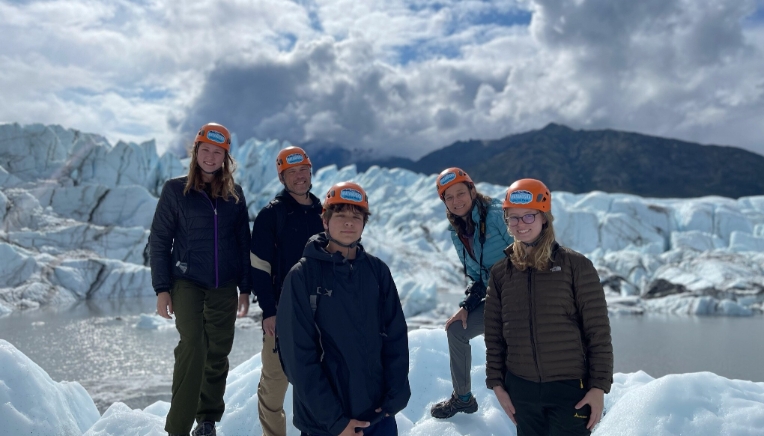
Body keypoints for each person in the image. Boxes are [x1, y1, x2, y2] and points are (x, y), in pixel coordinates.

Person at [277, 182, 411, 436]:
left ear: (363, 223)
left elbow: (395, 336)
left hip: (378, 416)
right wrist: (335, 422)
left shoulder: (377, 271)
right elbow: (298, 358)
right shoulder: (302, 276)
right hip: (326, 425)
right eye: (340, 215)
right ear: (325, 221)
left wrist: (396, 395)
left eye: (356, 216)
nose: (349, 223)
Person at [484, 178, 613, 435]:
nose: (521, 224)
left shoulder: (576, 266)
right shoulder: (501, 273)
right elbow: (495, 335)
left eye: (529, 216)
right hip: (521, 392)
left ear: (544, 218)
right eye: (513, 218)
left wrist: (598, 388)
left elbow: (597, 332)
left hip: (570, 392)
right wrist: (497, 385)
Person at [150, 122, 251, 436]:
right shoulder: (175, 190)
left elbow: (243, 243)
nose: (210, 157)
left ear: (225, 156)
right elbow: (159, 239)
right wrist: (162, 289)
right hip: (187, 280)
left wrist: (245, 289)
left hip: (224, 286)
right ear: (195, 153)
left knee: (218, 351)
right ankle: (177, 428)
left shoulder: (234, 195)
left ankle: (206, 420)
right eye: (205, 150)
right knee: (193, 345)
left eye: (217, 152)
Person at [250, 146, 324, 436]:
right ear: (282, 177)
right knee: (273, 385)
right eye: (292, 172)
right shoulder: (272, 214)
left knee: (319, 383)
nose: (299, 177)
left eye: (303, 170)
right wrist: (268, 311)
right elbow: (259, 266)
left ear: (310, 172)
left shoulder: (323, 211)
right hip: (282, 312)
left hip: (320, 312)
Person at [430, 168, 513, 419]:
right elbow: (479, 277)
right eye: (449, 197)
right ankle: (463, 398)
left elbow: (528, 251)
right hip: (498, 300)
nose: (456, 201)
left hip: (522, 298)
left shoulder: (499, 215)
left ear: (472, 190)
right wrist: (467, 306)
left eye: (460, 193)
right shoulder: (457, 231)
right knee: (456, 329)